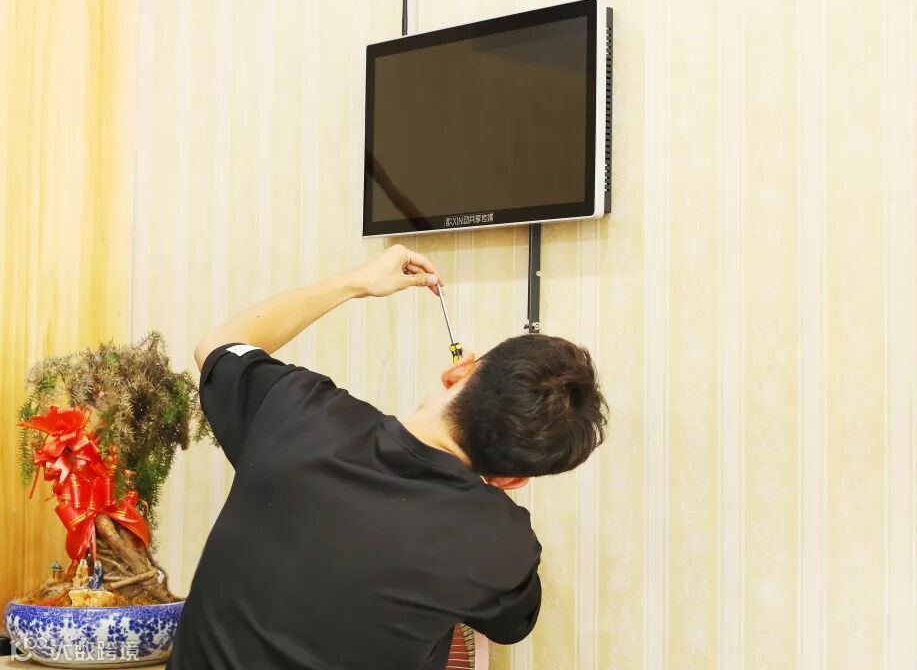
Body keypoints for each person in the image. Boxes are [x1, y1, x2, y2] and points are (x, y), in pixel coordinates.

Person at [168, 244, 607, 670]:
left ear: (458, 371)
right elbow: (512, 624)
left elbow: (217, 345)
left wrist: (357, 282)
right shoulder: (501, 544)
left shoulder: (299, 411)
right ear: (513, 480)